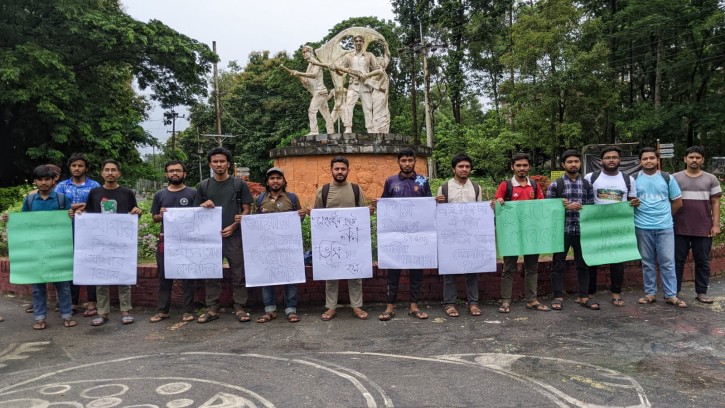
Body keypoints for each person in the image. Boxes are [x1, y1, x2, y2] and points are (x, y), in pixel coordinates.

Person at [6, 165, 75, 329]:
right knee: (38, 287)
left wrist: (71, 216)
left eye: (47, 179)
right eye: (40, 179)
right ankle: (40, 318)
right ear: (35, 181)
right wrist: (10, 220)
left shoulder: (62, 199)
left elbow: (68, 223)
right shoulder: (29, 201)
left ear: (53, 180)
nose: (44, 183)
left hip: (58, 249)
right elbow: (24, 223)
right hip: (36, 250)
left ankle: (67, 316)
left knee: (63, 285)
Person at [194, 147, 253, 323]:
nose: (219, 164)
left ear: (228, 163)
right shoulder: (204, 186)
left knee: (238, 272)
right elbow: (196, 210)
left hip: (234, 235)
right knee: (211, 272)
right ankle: (212, 307)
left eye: (222, 161)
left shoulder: (238, 184)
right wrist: (204, 204)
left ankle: (240, 307)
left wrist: (235, 225)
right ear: (210, 164)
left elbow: (247, 209)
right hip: (211, 237)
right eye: (215, 161)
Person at [375, 148, 431, 321]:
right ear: (398, 162)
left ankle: (414, 306)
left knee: (416, 272)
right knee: (393, 272)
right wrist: (378, 203)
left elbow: (429, 205)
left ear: (415, 161)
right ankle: (389, 307)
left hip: (417, 235)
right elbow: (385, 204)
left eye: (410, 160)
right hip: (396, 236)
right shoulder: (391, 181)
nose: (407, 164)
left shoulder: (423, 180)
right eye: (404, 160)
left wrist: (436, 202)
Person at [84, 159, 142, 326]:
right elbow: (88, 215)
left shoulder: (127, 193)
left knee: (124, 277)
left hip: (121, 242)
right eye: (107, 170)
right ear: (102, 173)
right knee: (101, 279)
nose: (110, 173)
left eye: (114, 170)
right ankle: (103, 313)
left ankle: (125, 311)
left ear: (119, 173)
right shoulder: (94, 193)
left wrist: (138, 212)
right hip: (100, 242)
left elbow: (134, 213)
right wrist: (79, 215)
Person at [313, 156, 369, 321]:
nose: (339, 172)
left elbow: (363, 212)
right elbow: (317, 216)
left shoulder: (356, 189)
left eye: (343, 169)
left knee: (355, 275)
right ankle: (331, 307)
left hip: (352, 241)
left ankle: (357, 306)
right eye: (336, 169)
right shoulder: (322, 191)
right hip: (330, 242)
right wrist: (312, 214)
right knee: (331, 276)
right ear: (331, 170)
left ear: (348, 171)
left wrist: (368, 212)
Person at [492, 153, 548, 313]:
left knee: (532, 267)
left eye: (524, 165)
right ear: (512, 167)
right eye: (518, 165)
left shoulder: (535, 186)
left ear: (529, 167)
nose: (522, 168)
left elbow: (541, 206)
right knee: (509, 267)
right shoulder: (505, 186)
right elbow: (496, 205)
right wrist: (498, 202)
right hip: (512, 234)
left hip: (531, 233)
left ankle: (532, 299)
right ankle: (505, 301)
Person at [584, 146, 639, 307]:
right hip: (595, 226)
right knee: (592, 260)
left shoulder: (628, 180)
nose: (611, 160)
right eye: (608, 157)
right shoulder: (591, 177)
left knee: (617, 260)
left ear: (619, 160)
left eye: (614, 157)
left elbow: (632, 201)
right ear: (601, 161)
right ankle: (590, 293)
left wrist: (635, 203)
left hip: (618, 226)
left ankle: (616, 293)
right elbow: (585, 199)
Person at [634, 147, 686, 308]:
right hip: (642, 226)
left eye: (651, 158)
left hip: (664, 227)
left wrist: (665, 216)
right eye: (645, 158)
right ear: (640, 161)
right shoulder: (634, 179)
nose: (648, 161)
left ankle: (671, 295)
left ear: (657, 160)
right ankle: (650, 293)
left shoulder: (667, 178)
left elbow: (677, 202)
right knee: (647, 262)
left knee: (668, 262)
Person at [434, 153, 484, 317]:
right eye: (460, 166)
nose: (464, 169)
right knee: (450, 272)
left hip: (470, 236)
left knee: (472, 271)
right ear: (453, 169)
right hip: (450, 236)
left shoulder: (476, 188)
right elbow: (437, 212)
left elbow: (479, 212)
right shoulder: (445, 187)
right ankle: (450, 304)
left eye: (467, 166)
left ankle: (473, 303)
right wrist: (437, 202)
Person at [254, 167, 307, 324]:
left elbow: (298, 221)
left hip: (288, 246)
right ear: (267, 182)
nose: (275, 181)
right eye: (272, 178)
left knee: (290, 277)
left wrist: (301, 216)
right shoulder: (260, 199)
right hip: (267, 246)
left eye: (278, 178)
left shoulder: (291, 198)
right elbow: (254, 222)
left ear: (284, 181)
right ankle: (269, 310)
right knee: (267, 278)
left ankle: (291, 310)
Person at [149, 160, 198, 323]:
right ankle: (162, 310)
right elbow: (155, 218)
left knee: (187, 277)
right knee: (164, 277)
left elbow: (201, 216)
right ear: (167, 174)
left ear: (185, 174)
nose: (174, 173)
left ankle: (188, 311)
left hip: (188, 242)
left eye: (178, 170)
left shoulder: (193, 193)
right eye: (171, 171)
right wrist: (160, 215)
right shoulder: (160, 195)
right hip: (166, 241)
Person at [546, 150, 596, 310]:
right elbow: (548, 209)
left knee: (583, 264)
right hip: (562, 230)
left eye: (576, 161)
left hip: (583, 231)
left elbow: (591, 208)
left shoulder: (588, 185)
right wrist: (566, 207)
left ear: (580, 163)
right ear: (563, 165)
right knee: (558, 264)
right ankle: (558, 296)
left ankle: (583, 296)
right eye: (569, 162)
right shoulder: (556, 185)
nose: (573, 164)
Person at [673, 146, 722, 303]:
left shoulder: (711, 179)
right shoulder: (674, 178)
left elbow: (715, 202)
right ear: (685, 159)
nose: (694, 160)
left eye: (698, 157)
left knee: (702, 261)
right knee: (676, 261)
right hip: (678, 227)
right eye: (691, 157)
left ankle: (701, 292)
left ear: (702, 160)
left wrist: (716, 225)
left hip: (703, 227)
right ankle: (674, 292)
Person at [55, 153, 101, 317]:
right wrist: (80, 204)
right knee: (70, 267)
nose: (77, 168)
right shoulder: (61, 186)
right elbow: (57, 206)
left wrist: (84, 207)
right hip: (66, 232)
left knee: (89, 266)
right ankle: (72, 302)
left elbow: (98, 206)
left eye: (80, 165)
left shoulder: (95, 185)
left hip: (89, 233)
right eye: (74, 166)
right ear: (70, 168)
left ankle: (92, 302)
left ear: (86, 168)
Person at [283, 46, 335, 135]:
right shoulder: (309, 65)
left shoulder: (315, 62)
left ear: (310, 52)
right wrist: (298, 76)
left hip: (320, 91)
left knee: (311, 111)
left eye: (305, 52)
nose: (303, 54)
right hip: (319, 92)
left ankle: (314, 131)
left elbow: (314, 75)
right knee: (326, 114)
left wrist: (300, 73)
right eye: (302, 53)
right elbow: (307, 82)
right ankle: (331, 132)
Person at [334, 35, 381, 133]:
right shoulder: (348, 56)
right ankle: (348, 127)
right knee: (348, 106)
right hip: (353, 85)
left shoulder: (369, 55)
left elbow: (378, 70)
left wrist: (367, 76)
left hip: (366, 85)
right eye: (356, 41)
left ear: (363, 42)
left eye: (360, 41)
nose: (358, 42)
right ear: (353, 43)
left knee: (368, 108)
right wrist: (337, 70)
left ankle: (370, 129)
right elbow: (341, 71)